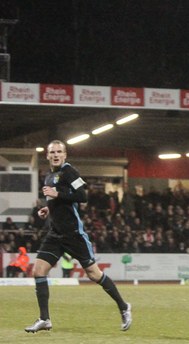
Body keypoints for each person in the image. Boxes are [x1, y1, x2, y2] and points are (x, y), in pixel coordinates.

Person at [25, 140, 132, 333]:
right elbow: (58, 202)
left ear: (65, 155)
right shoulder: (49, 177)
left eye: (59, 152)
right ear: (47, 156)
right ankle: (44, 319)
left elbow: (82, 196)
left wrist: (57, 194)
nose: (56, 155)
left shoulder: (69, 172)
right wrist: (48, 209)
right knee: (38, 271)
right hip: (55, 234)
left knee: (94, 274)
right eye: (52, 152)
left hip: (73, 234)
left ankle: (124, 307)